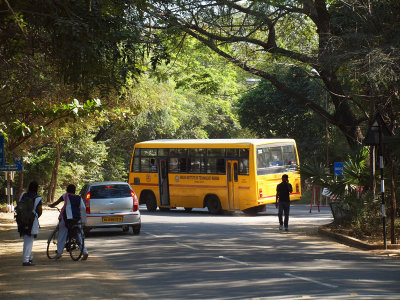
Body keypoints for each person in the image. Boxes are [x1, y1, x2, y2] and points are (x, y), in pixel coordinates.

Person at [49, 184, 88, 260]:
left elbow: (57, 202)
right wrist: (83, 221)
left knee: (62, 234)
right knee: (79, 235)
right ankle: (85, 252)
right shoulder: (79, 198)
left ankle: (59, 252)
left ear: (67, 190)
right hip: (76, 218)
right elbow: (83, 208)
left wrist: (51, 205)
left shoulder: (65, 195)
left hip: (67, 218)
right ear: (74, 190)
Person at [17, 181, 42, 266]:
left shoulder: (23, 195)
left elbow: (18, 204)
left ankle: (29, 257)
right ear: (36, 188)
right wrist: (35, 216)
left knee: (27, 239)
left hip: (22, 219)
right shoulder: (38, 198)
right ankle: (26, 260)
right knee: (29, 240)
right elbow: (40, 211)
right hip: (32, 220)